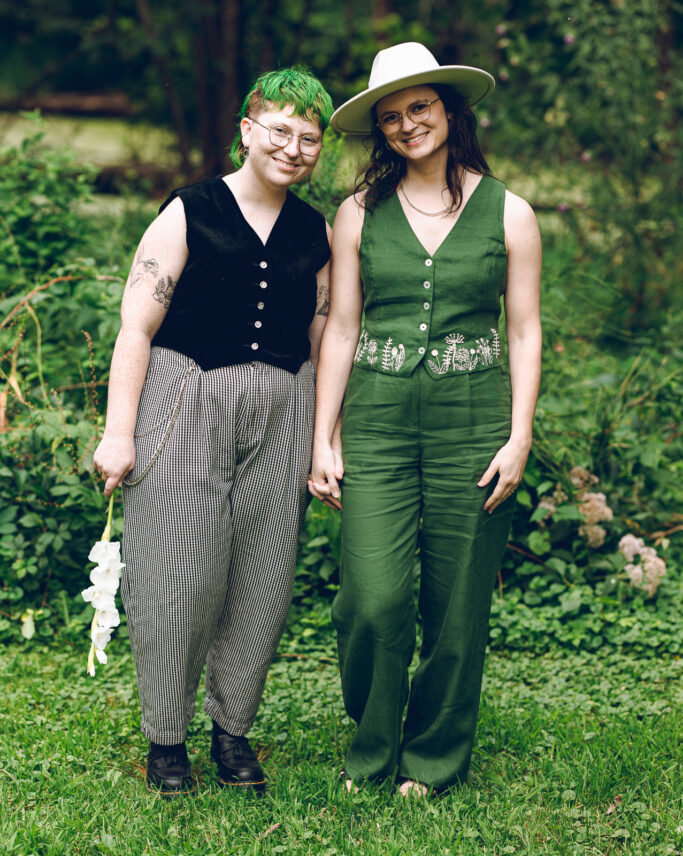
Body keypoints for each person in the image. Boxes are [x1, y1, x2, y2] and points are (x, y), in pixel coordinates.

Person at [93, 66, 334, 795]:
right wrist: (117, 432)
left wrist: (326, 437)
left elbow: (325, 336)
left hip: (284, 407)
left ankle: (233, 732)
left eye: (309, 138)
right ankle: (167, 739)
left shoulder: (314, 230)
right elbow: (137, 323)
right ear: (247, 129)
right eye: (280, 130)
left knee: (262, 578)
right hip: (184, 396)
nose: (293, 148)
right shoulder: (188, 210)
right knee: (176, 574)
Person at [309, 42, 542, 795]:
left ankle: (433, 757)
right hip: (375, 423)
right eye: (391, 117)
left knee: (455, 606)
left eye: (420, 107)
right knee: (370, 600)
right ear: (380, 132)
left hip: (473, 425)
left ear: (447, 110)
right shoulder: (356, 214)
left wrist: (519, 435)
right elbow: (341, 327)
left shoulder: (510, 211)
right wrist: (324, 436)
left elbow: (524, 330)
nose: (409, 124)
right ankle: (372, 743)